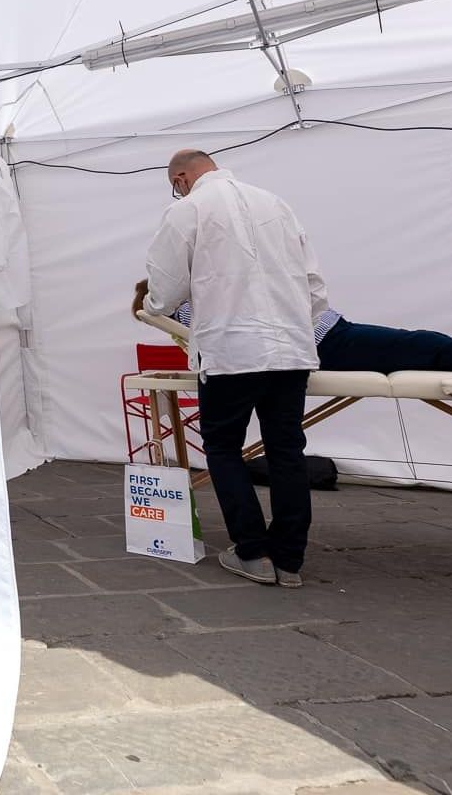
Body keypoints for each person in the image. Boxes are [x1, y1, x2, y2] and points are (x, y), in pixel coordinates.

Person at [138, 149, 321, 589]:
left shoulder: (188, 209)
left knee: (223, 450)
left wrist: (153, 306)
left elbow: (163, 288)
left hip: (232, 351)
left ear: (181, 177)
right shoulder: (275, 203)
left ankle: (252, 552)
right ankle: (290, 562)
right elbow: (315, 287)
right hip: (290, 349)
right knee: (286, 451)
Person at [153, 299, 452, 377]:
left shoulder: (197, 296)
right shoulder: (189, 303)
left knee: (432, 347)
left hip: (324, 337)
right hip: (322, 343)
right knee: (434, 349)